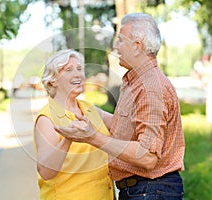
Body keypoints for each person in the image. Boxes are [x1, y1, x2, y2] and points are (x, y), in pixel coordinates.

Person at [55, 13, 185, 200]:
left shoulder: (151, 88)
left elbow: (147, 156)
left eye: (120, 40)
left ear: (137, 46)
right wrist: (85, 108)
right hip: (142, 190)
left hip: (150, 190)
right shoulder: (137, 81)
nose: (115, 46)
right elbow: (124, 126)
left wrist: (92, 137)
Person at [33, 49, 114, 200]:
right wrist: (68, 139)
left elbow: (122, 126)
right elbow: (45, 172)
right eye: (68, 70)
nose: (78, 74)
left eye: (79, 68)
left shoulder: (89, 108)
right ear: (53, 80)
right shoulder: (46, 118)